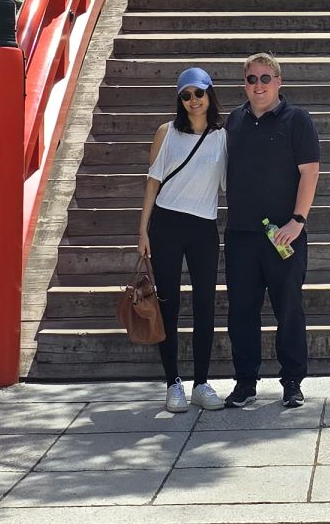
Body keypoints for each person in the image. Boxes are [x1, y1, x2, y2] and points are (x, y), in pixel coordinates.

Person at [222, 51, 320, 408]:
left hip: (284, 234)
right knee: (241, 312)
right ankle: (245, 382)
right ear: (244, 84)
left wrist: (298, 220)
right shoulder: (233, 121)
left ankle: (292, 381)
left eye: (265, 78)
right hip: (241, 234)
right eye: (252, 79)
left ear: (278, 82)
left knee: (289, 309)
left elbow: (310, 172)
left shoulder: (297, 120)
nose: (259, 85)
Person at [135, 66, 228, 413]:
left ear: (209, 94)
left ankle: (201, 383)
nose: (193, 100)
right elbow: (153, 183)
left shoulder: (222, 136)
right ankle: (172, 382)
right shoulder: (167, 132)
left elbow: (231, 182)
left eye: (198, 93)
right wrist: (143, 230)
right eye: (186, 95)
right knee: (168, 305)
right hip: (167, 224)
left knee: (205, 304)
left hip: (204, 226)